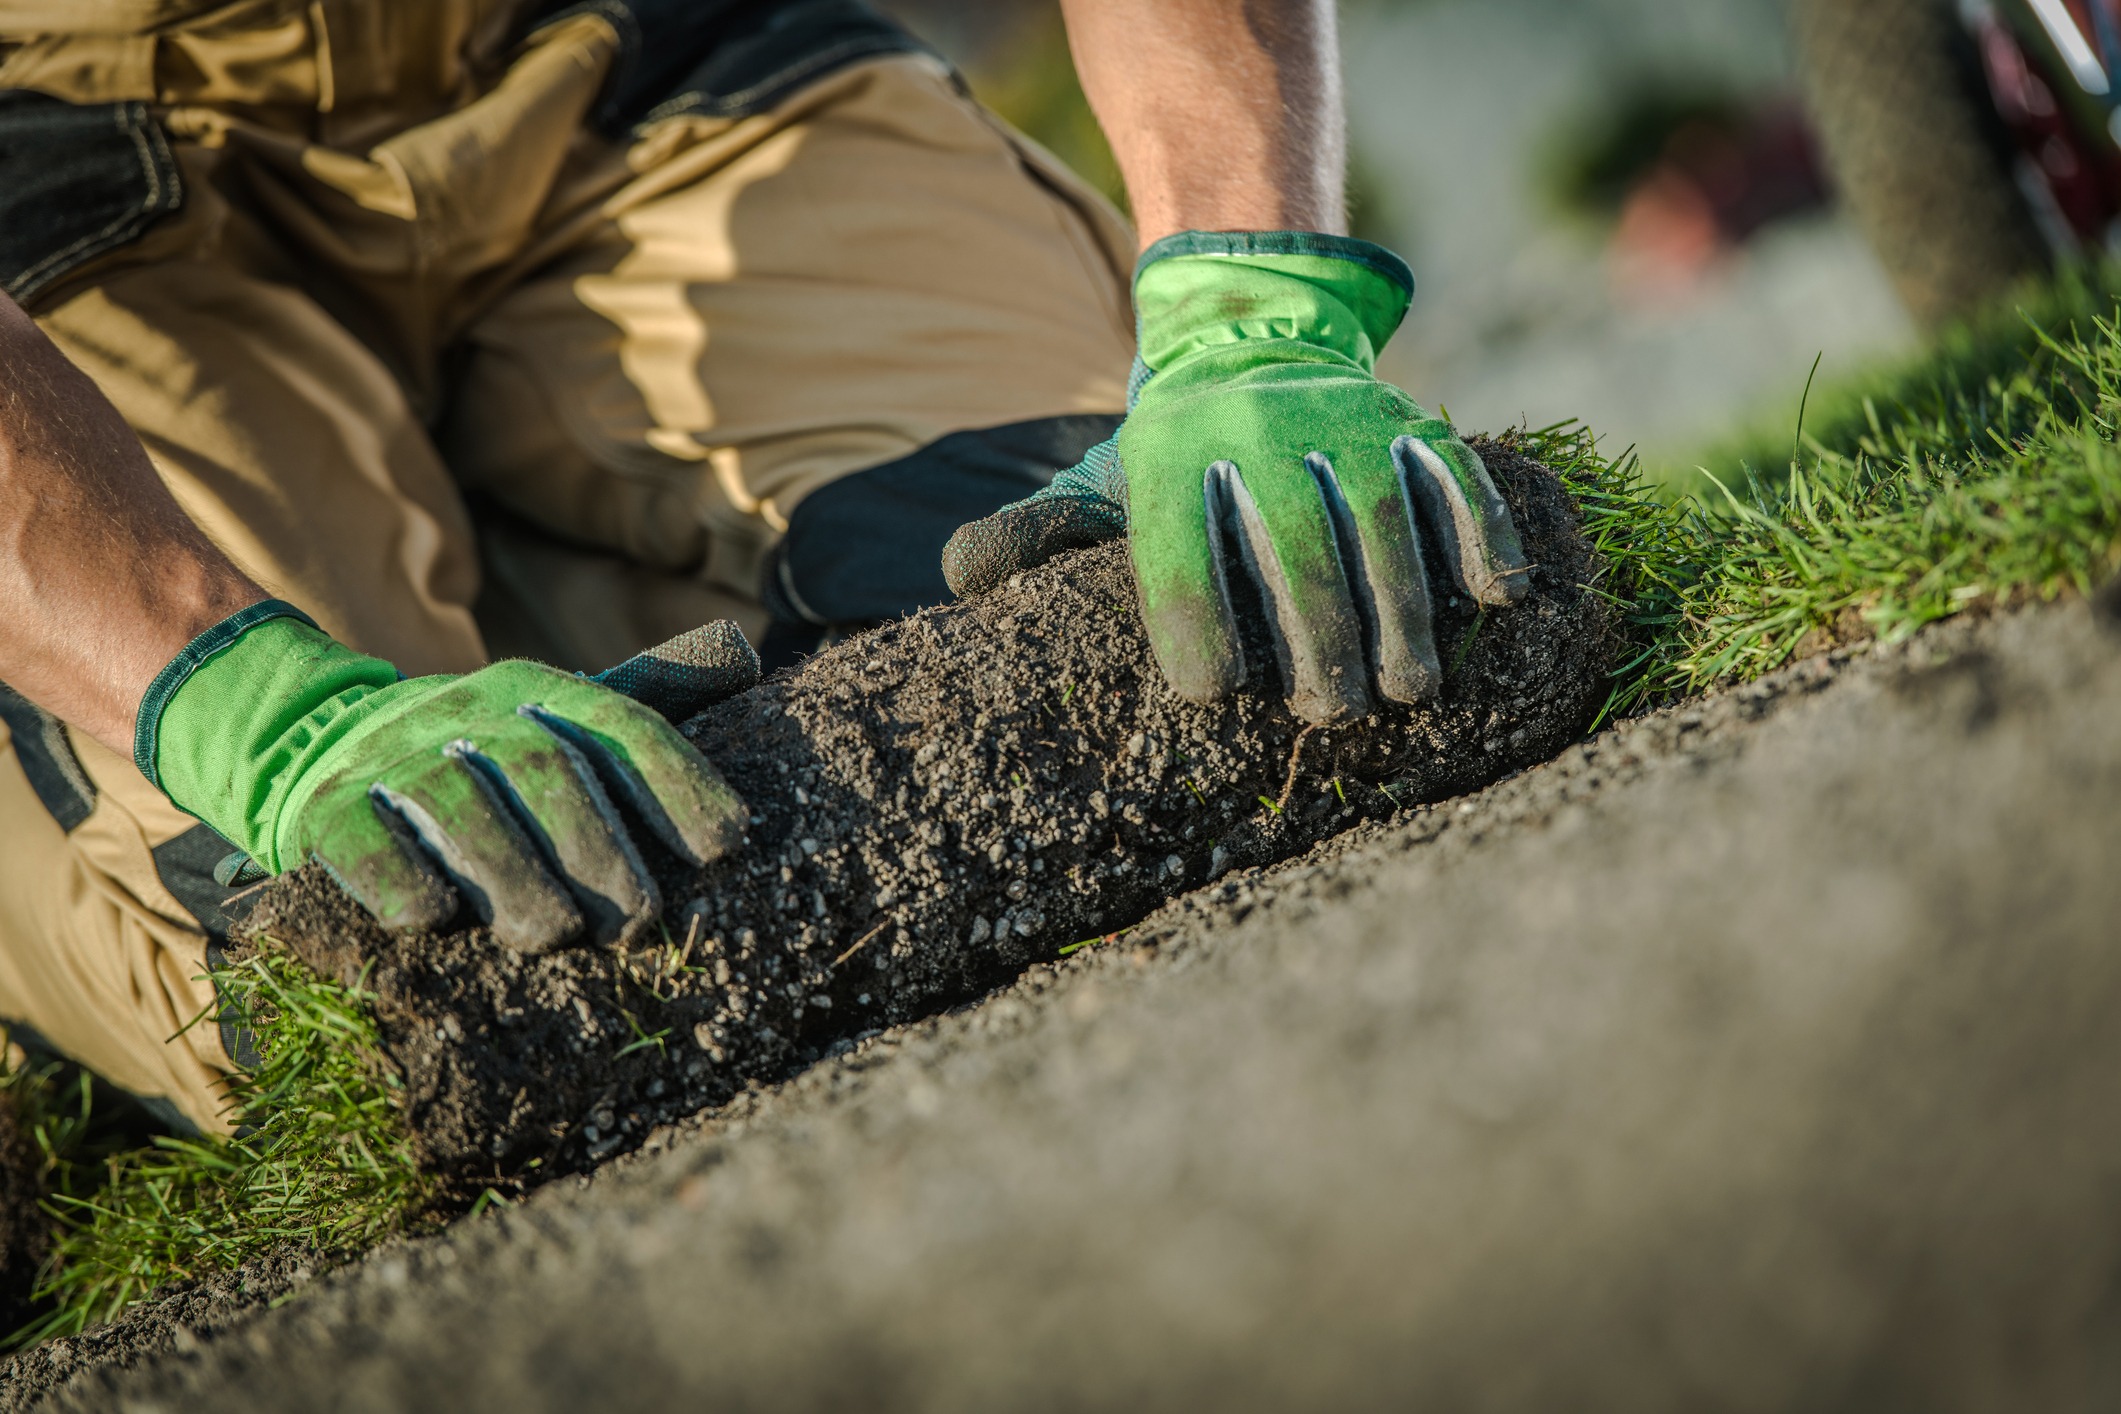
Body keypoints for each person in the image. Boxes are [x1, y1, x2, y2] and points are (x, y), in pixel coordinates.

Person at [0, 0, 1526, 1133]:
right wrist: (247, 705)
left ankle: (515, 561)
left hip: (625, 60)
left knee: (1134, 597)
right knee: (362, 948)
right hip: (70, 182)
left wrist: (1248, 297)